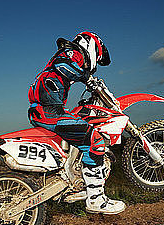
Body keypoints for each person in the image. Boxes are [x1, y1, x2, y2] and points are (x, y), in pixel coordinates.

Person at [28, 32, 126, 214]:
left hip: (44, 110)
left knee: (79, 127)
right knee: (94, 140)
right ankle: (96, 200)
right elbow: (63, 65)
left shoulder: (66, 55)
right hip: (50, 112)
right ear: (92, 46)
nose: (92, 63)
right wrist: (88, 78)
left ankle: (72, 178)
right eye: (97, 55)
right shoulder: (72, 52)